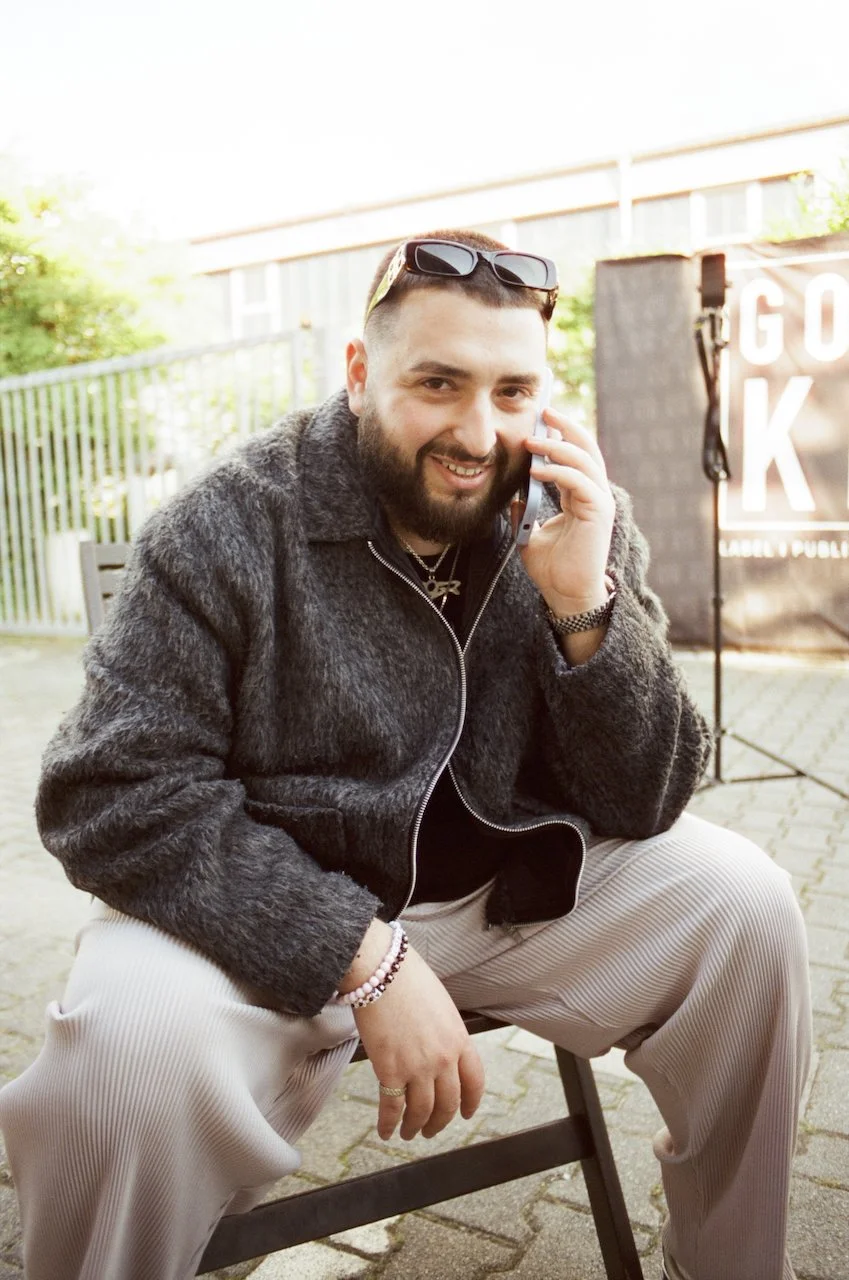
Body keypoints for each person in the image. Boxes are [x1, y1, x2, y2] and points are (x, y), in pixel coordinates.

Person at [0, 230, 810, 1280]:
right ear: (358, 374)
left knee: (747, 901)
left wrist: (584, 607)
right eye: (438, 383)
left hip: (512, 904)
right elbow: (111, 795)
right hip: (263, 926)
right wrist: (366, 955)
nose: (478, 432)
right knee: (121, 1065)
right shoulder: (225, 523)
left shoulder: (574, 517)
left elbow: (646, 797)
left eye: (513, 391)